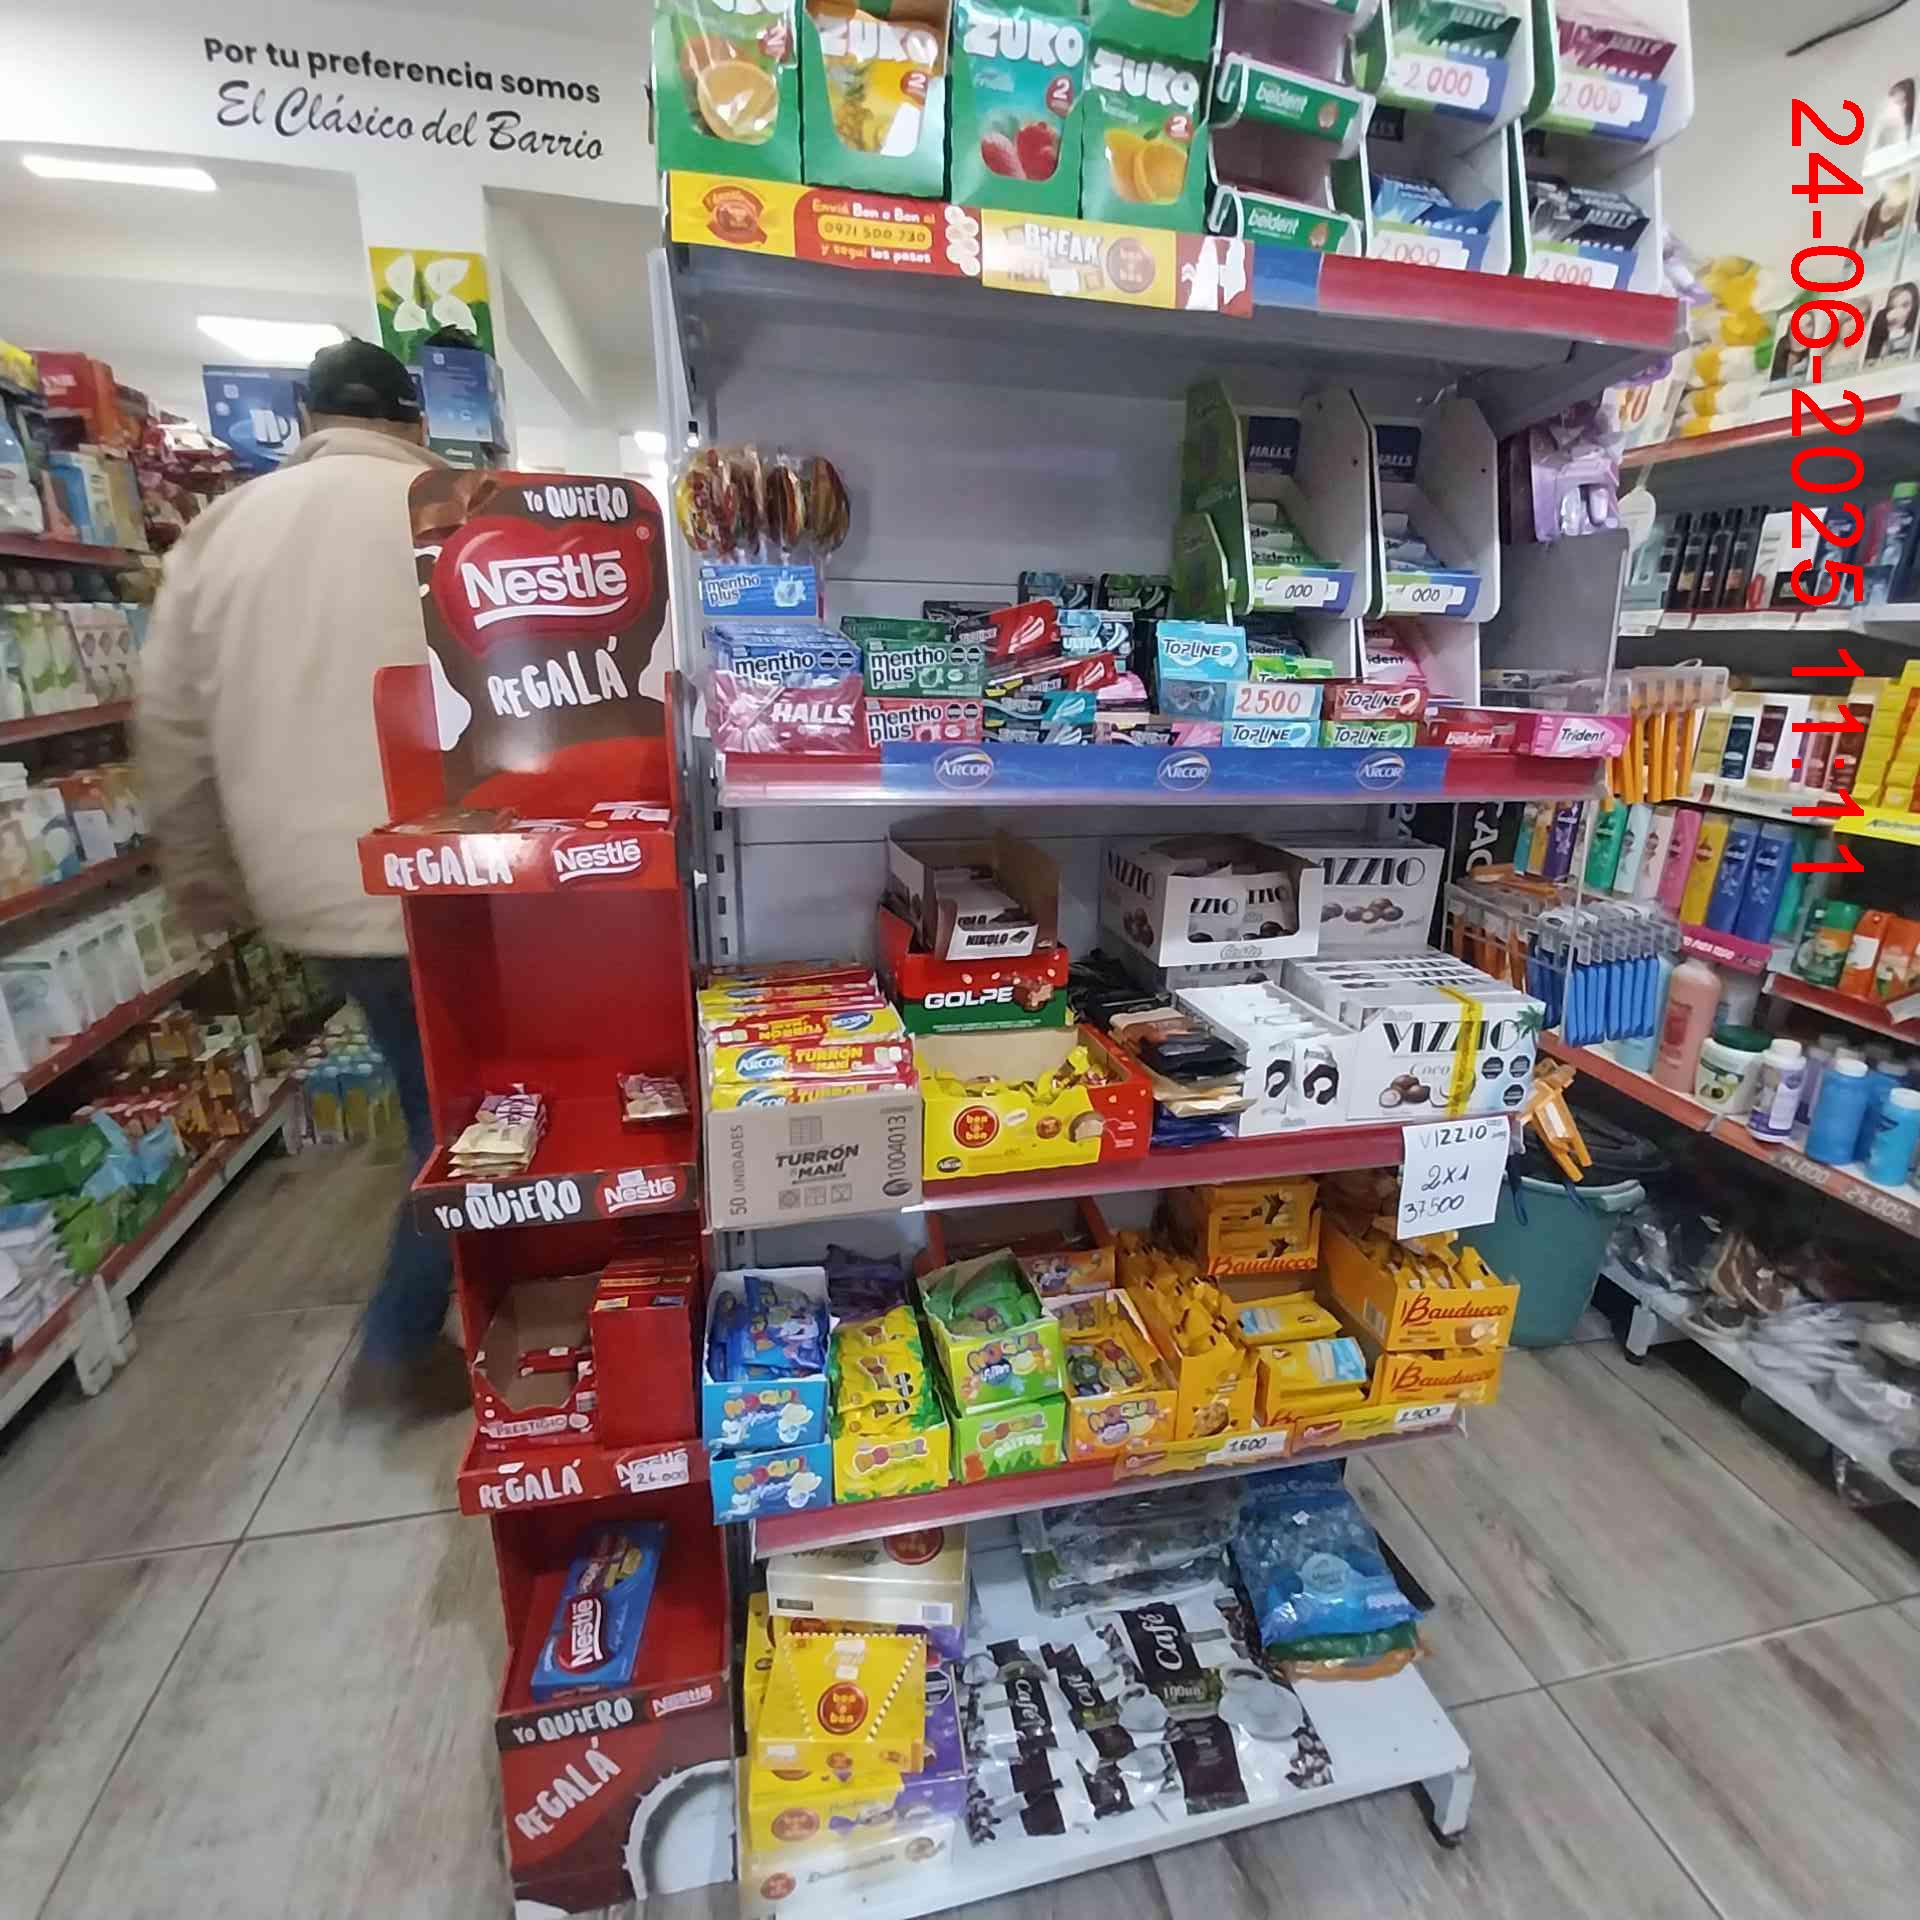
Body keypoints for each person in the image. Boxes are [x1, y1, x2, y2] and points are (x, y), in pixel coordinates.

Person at [138, 338, 463, 1408]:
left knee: (441, 1105)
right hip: (452, 872)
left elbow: (169, 727)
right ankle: (402, 1341)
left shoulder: (222, 529)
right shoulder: (453, 510)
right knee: (464, 1121)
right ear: (414, 422)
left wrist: (202, 878)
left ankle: (443, 1317)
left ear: (309, 421)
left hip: (308, 892)